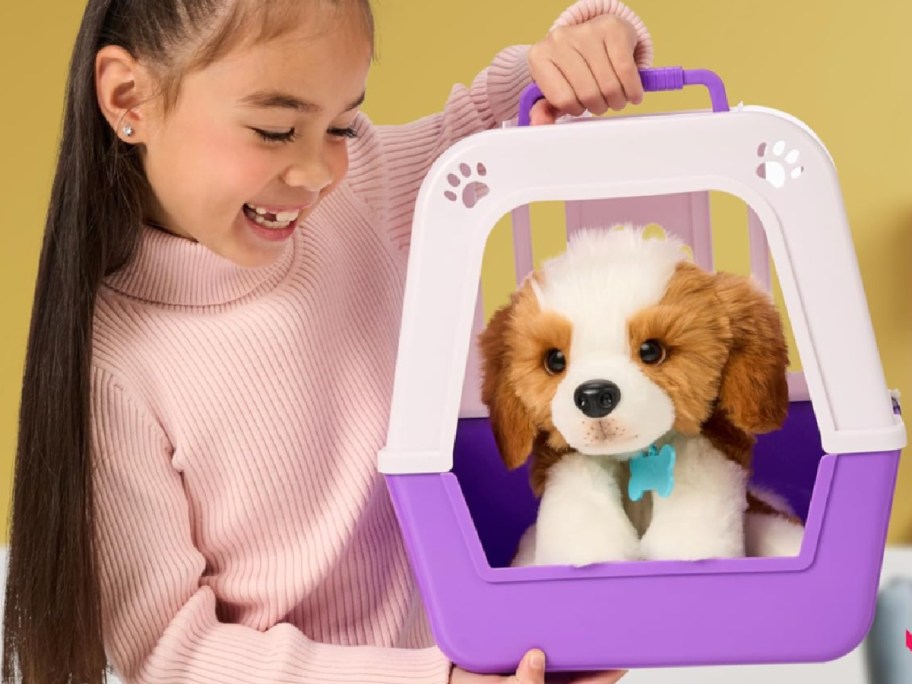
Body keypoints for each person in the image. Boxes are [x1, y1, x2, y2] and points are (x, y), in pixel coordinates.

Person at [2, 0, 652, 682]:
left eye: (341, 124)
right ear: (128, 98)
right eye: (276, 130)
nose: (317, 172)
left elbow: (490, 122)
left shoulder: (357, 194)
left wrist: (584, 48)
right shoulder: (116, 364)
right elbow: (172, 649)